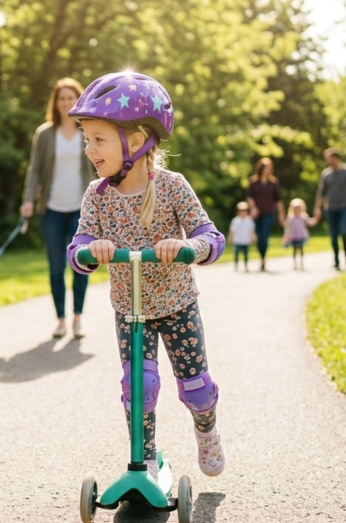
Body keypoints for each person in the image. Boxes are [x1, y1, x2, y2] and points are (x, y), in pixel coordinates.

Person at [65, 71, 226, 478]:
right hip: (130, 311)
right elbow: (77, 248)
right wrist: (90, 251)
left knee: (197, 389)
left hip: (177, 306)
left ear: (134, 141)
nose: (89, 149)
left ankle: (206, 432)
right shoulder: (96, 196)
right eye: (87, 139)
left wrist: (188, 248)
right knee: (139, 388)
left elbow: (211, 235)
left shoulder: (172, 187)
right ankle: (146, 459)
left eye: (98, 139)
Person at [20, 78, 97, 339]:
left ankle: (77, 318)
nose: (66, 102)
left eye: (71, 97)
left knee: (80, 263)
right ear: (55, 102)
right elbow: (35, 170)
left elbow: (100, 165)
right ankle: (61, 320)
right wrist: (28, 200)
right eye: (61, 98)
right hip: (50, 209)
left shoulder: (88, 130)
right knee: (56, 266)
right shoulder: (45, 133)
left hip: (81, 209)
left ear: (79, 101)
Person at [313, 147, 346, 270]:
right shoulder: (326, 174)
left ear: (336, 158)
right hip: (330, 208)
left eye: (329, 158)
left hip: (344, 207)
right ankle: (336, 260)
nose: (327, 161)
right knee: (333, 235)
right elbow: (321, 193)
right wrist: (317, 208)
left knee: (344, 231)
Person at [245, 157, 285, 272]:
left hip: (269, 213)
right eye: (266, 168)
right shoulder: (253, 182)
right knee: (259, 237)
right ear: (261, 168)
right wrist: (253, 208)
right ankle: (261, 257)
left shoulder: (274, 182)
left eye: (270, 168)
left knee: (264, 236)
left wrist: (282, 215)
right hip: (257, 215)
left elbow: (279, 200)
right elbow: (249, 196)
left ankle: (263, 258)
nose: (269, 170)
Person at [284, 198, 316, 270]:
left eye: (299, 208)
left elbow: (310, 222)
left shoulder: (303, 216)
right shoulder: (290, 217)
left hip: (301, 236)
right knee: (294, 250)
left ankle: (301, 263)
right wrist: (286, 236)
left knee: (301, 249)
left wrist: (315, 219)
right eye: (295, 209)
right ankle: (295, 263)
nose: (297, 210)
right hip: (293, 236)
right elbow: (287, 227)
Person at [228, 201, 255, 271]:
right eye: (241, 211)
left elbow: (251, 230)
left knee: (246, 254)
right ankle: (236, 265)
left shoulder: (249, 220)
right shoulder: (235, 220)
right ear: (238, 211)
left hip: (246, 240)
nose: (243, 212)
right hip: (238, 240)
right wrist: (230, 238)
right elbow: (232, 230)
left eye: (244, 210)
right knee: (236, 253)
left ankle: (246, 266)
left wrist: (253, 237)